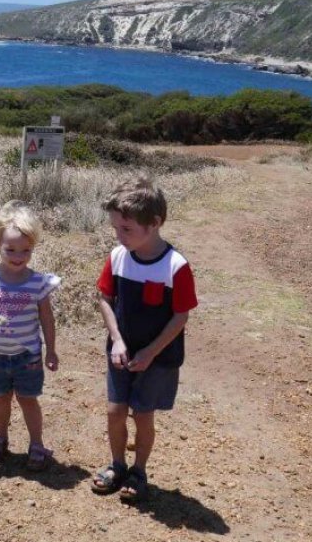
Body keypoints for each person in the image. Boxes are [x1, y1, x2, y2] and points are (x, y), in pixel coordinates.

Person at [91, 176, 197, 501]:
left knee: (143, 414)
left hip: (157, 359)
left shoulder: (175, 266)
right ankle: (117, 464)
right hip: (120, 353)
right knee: (115, 411)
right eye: (115, 229)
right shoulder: (118, 257)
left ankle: (139, 471)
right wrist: (117, 339)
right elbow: (105, 299)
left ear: (154, 223)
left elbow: (181, 316)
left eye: (126, 229)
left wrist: (150, 352)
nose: (118, 236)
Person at [0, 200, 60, 470]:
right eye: (11, 250)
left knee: (29, 400)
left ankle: (36, 443)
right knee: (1, 399)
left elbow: (47, 318)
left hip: (27, 357)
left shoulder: (37, 282)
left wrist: (51, 350)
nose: (18, 256)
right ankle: (0, 439)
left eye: (25, 250)